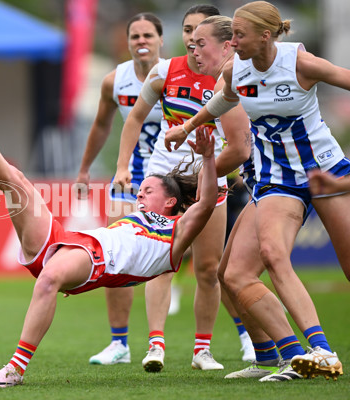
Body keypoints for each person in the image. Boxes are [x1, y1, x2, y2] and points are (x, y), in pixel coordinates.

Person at [0, 59, 220, 387]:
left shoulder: (177, 234)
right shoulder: (137, 216)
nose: (139, 194)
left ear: (170, 202)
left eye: (147, 190)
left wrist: (208, 157)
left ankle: (14, 370)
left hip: (96, 262)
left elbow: (206, 203)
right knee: (13, 180)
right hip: (71, 243)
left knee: (49, 278)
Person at [164, 1, 346, 381]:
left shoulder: (300, 63)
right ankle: (311, 354)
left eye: (239, 35)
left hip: (326, 171)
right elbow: (221, 101)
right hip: (278, 179)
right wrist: (186, 128)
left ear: (266, 35)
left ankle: (294, 354)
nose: (234, 42)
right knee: (259, 261)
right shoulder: (235, 70)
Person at [114, 5, 252, 372]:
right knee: (160, 262)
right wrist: (123, 165)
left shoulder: (232, 80)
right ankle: (155, 345)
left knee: (209, 268)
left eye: (199, 35)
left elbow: (240, 141)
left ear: (220, 43)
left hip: (210, 173)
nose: (192, 42)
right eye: (188, 33)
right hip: (165, 175)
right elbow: (135, 119)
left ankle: (201, 351)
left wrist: (227, 169)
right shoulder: (164, 72)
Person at [75, 12, 170, 365]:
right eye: (135, 36)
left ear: (161, 40)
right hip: (128, 179)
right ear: (127, 42)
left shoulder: (176, 75)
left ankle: (242, 337)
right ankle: (120, 344)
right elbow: (100, 126)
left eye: (148, 35)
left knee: (207, 263)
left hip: (174, 179)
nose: (141, 42)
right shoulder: (115, 81)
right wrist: (85, 169)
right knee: (115, 255)